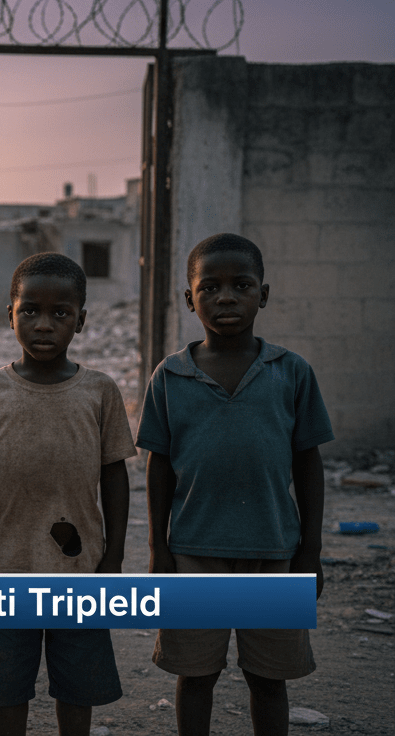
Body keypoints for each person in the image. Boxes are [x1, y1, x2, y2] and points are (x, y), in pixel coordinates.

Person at [138, 233, 331, 736]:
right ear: (190, 298)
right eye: (210, 287)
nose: (226, 297)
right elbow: (158, 467)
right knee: (195, 675)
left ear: (262, 295)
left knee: (268, 678)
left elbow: (309, 466)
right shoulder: (170, 376)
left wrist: (309, 552)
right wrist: (159, 549)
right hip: (194, 552)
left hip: (274, 551)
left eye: (241, 285)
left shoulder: (290, 373)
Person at [0, 252, 134, 736]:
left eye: (61, 313)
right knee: (6, 683)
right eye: (29, 311)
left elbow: (115, 477)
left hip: (82, 569)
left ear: (81, 321)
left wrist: (113, 555)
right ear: (10, 315)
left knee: (78, 684)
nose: (44, 324)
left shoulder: (100, 391)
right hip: (7, 564)